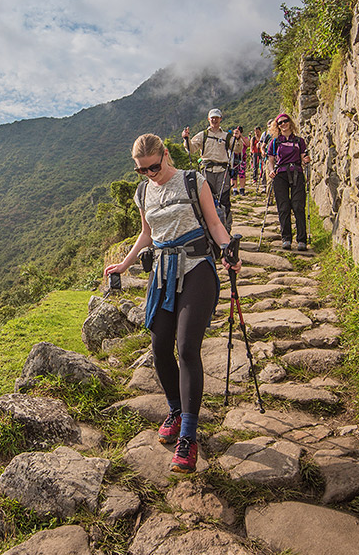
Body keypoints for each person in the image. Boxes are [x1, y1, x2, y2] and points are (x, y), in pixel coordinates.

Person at [104, 134, 241, 473]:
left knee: (187, 347)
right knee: (160, 345)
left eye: (154, 166)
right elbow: (147, 233)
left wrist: (228, 250)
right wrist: (125, 263)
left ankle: (189, 438)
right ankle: (176, 411)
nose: (150, 173)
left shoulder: (193, 181)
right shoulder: (143, 192)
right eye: (142, 170)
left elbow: (213, 223)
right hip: (163, 273)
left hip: (197, 269)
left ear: (166, 155)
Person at [182, 109, 234, 230]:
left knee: (224, 200)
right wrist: (186, 139)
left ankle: (226, 229)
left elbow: (237, 148)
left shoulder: (226, 136)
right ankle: (208, 228)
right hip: (207, 170)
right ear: (208, 119)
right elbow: (192, 148)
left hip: (222, 170)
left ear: (221, 119)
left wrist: (238, 138)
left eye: (217, 117)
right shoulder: (203, 135)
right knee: (206, 201)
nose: (214, 120)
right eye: (212, 118)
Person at [266, 113, 310, 251]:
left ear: (290, 122)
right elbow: (271, 160)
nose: (283, 124)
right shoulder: (274, 142)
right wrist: (271, 171)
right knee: (283, 207)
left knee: (298, 205)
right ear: (277, 126)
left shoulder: (299, 141)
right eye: (280, 123)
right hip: (280, 175)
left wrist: (306, 160)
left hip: (296, 173)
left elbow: (303, 157)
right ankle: (286, 238)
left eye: (285, 121)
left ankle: (301, 239)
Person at [230, 126, 249, 195]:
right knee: (233, 175)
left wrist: (241, 137)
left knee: (242, 174)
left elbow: (248, 144)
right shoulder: (232, 140)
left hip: (242, 159)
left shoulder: (244, 139)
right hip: (233, 159)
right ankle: (234, 189)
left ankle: (242, 189)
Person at [250, 126, 265, 191]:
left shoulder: (262, 137)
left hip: (261, 152)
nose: (256, 133)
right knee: (255, 166)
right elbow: (251, 146)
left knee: (262, 165)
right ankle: (255, 178)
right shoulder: (253, 138)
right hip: (255, 153)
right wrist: (251, 151)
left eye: (258, 131)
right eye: (255, 132)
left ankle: (261, 176)